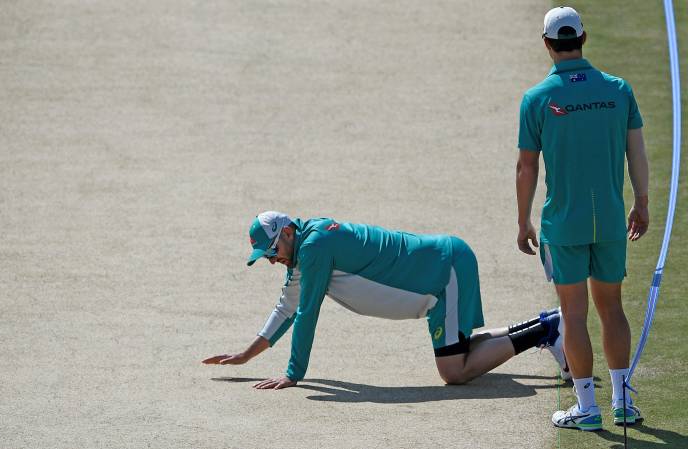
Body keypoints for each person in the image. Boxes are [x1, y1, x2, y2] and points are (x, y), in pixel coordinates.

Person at [203, 211, 567, 389]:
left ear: (286, 232)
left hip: (444, 271)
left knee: (454, 371)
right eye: (267, 258)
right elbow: (287, 307)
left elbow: (306, 313)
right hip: (442, 270)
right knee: (460, 351)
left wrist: (293, 374)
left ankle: (547, 331)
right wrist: (245, 355)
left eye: (273, 251)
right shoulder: (305, 251)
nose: (273, 260)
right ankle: (549, 324)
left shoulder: (313, 249)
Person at [516, 6, 649, 431]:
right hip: (610, 221)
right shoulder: (619, 89)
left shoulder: (537, 99)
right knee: (611, 308)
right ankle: (623, 402)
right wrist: (641, 202)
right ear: (584, 39)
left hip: (564, 225)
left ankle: (588, 408)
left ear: (547, 44)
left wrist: (523, 221)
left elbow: (526, 167)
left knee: (573, 314)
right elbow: (637, 153)